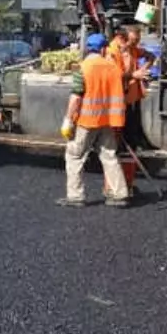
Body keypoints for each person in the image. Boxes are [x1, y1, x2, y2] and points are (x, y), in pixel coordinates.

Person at [59, 33, 130, 208]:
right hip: (108, 121)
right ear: (104, 48)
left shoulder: (83, 68)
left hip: (87, 121)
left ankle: (75, 196)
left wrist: (68, 120)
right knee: (109, 156)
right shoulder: (113, 68)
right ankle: (120, 194)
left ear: (88, 49)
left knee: (74, 156)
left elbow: (76, 97)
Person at [109, 24, 156, 150]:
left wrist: (144, 69)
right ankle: (123, 148)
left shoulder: (132, 48)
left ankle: (136, 144)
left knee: (134, 121)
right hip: (119, 95)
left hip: (131, 94)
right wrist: (135, 74)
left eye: (138, 40)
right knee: (122, 125)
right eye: (134, 40)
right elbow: (114, 75)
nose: (137, 44)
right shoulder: (113, 50)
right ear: (123, 38)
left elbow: (151, 56)